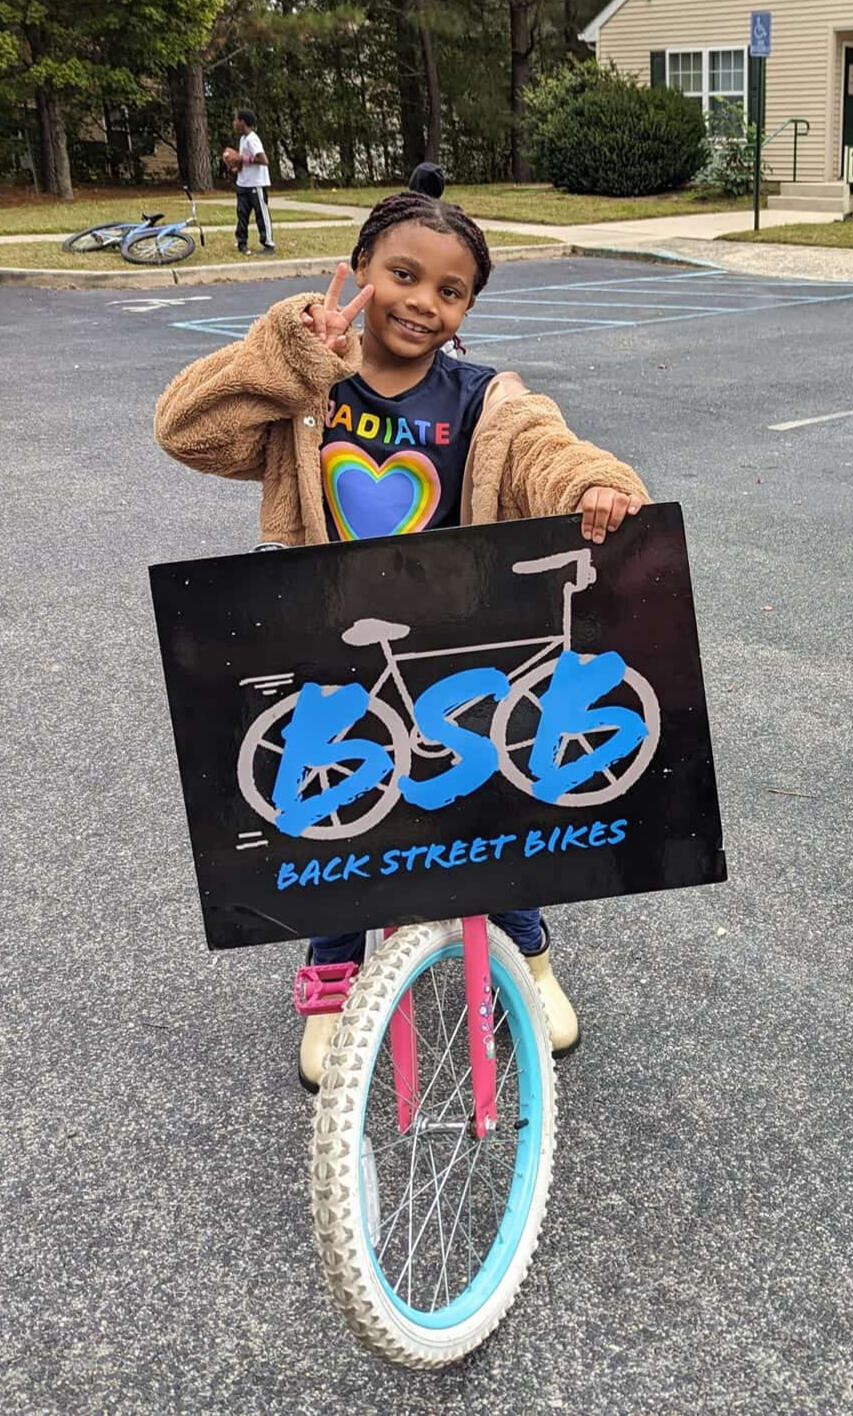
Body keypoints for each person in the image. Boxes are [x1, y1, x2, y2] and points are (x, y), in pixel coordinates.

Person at [155, 191, 649, 1087]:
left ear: (468, 308)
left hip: (458, 628)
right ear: (360, 271)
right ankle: (332, 982)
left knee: (489, 810)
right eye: (404, 275)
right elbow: (187, 429)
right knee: (335, 816)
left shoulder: (483, 398)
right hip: (325, 628)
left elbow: (543, 449)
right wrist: (292, 353)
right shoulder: (311, 392)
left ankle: (530, 957)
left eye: (451, 291)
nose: (424, 302)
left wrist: (593, 482)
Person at [223, 109, 275, 255]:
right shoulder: (243, 139)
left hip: (256, 184)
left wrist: (243, 159)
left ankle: (268, 244)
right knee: (242, 214)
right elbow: (242, 161)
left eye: (236, 120)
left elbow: (264, 160)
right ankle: (242, 242)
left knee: (261, 214)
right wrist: (234, 167)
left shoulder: (253, 139)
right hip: (243, 183)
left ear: (243, 122)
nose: (234, 123)